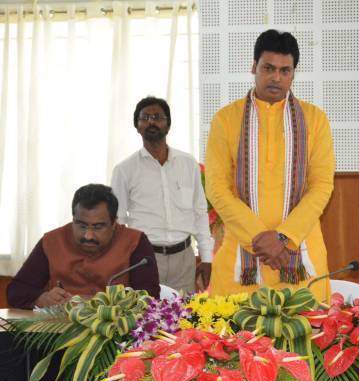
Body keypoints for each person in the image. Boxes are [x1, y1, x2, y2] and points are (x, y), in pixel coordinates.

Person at [205, 29, 335, 301]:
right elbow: (217, 188)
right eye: (268, 68)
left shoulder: (315, 120)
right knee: (235, 341)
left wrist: (284, 238)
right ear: (254, 67)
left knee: (303, 341)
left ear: (294, 73)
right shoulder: (225, 120)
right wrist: (259, 238)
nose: (276, 77)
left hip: (301, 261)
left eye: (285, 70)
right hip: (241, 263)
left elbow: (322, 186)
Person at [111, 97, 213, 293]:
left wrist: (206, 258)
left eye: (158, 117)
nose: (151, 122)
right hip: (145, 258)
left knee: (184, 317)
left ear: (168, 124)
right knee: (146, 317)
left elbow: (200, 213)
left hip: (184, 258)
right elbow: (118, 224)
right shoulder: (125, 170)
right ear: (137, 126)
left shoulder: (188, 163)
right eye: (145, 118)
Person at [7, 184, 160, 309]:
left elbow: (150, 298)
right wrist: (42, 299)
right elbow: (16, 291)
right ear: (73, 218)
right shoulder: (52, 240)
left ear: (114, 223)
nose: (88, 235)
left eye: (98, 227)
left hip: (116, 335)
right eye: (81, 225)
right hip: (60, 332)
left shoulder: (135, 242)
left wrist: (106, 305)